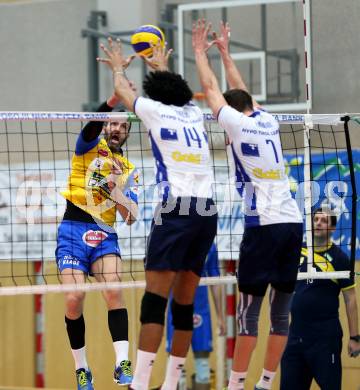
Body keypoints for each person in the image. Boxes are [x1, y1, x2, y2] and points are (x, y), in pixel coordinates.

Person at [97, 38, 218, 390]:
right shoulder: (195, 114)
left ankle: (140, 383)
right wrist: (161, 65)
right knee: (184, 304)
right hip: (207, 211)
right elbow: (175, 91)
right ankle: (169, 385)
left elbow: (121, 88)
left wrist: (118, 65)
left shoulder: (152, 111)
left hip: (175, 210)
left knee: (154, 303)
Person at [192, 20, 303, 390]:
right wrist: (225, 53)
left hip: (263, 227)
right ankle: (265, 382)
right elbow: (240, 91)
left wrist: (199, 53)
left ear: (231, 113)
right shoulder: (267, 120)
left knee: (249, 315)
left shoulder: (236, 125)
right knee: (282, 314)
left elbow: (212, 90)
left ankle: (237, 384)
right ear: (252, 107)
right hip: (292, 222)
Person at [56, 55, 139, 389]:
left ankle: (122, 365)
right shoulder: (88, 146)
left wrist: (117, 191)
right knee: (74, 298)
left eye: (123, 125)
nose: (116, 129)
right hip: (73, 229)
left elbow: (131, 217)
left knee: (114, 289)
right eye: (113, 123)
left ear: (128, 133)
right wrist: (115, 99)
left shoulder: (128, 168)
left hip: (105, 234)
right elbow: (91, 124)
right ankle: (82, 369)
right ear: (106, 127)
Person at [280, 207, 360, 390]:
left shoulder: (340, 259)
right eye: (316, 220)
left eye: (324, 221)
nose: (318, 223)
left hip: (325, 338)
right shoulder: (298, 251)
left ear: (332, 229)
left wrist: (355, 337)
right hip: (295, 336)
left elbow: (351, 300)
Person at [166, 243, 226, 390]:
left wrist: (221, 317)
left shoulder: (209, 245)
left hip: (201, 311)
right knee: (176, 367)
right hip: (175, 311)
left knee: (203, 366)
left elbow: (215, 281)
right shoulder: (171, 240)